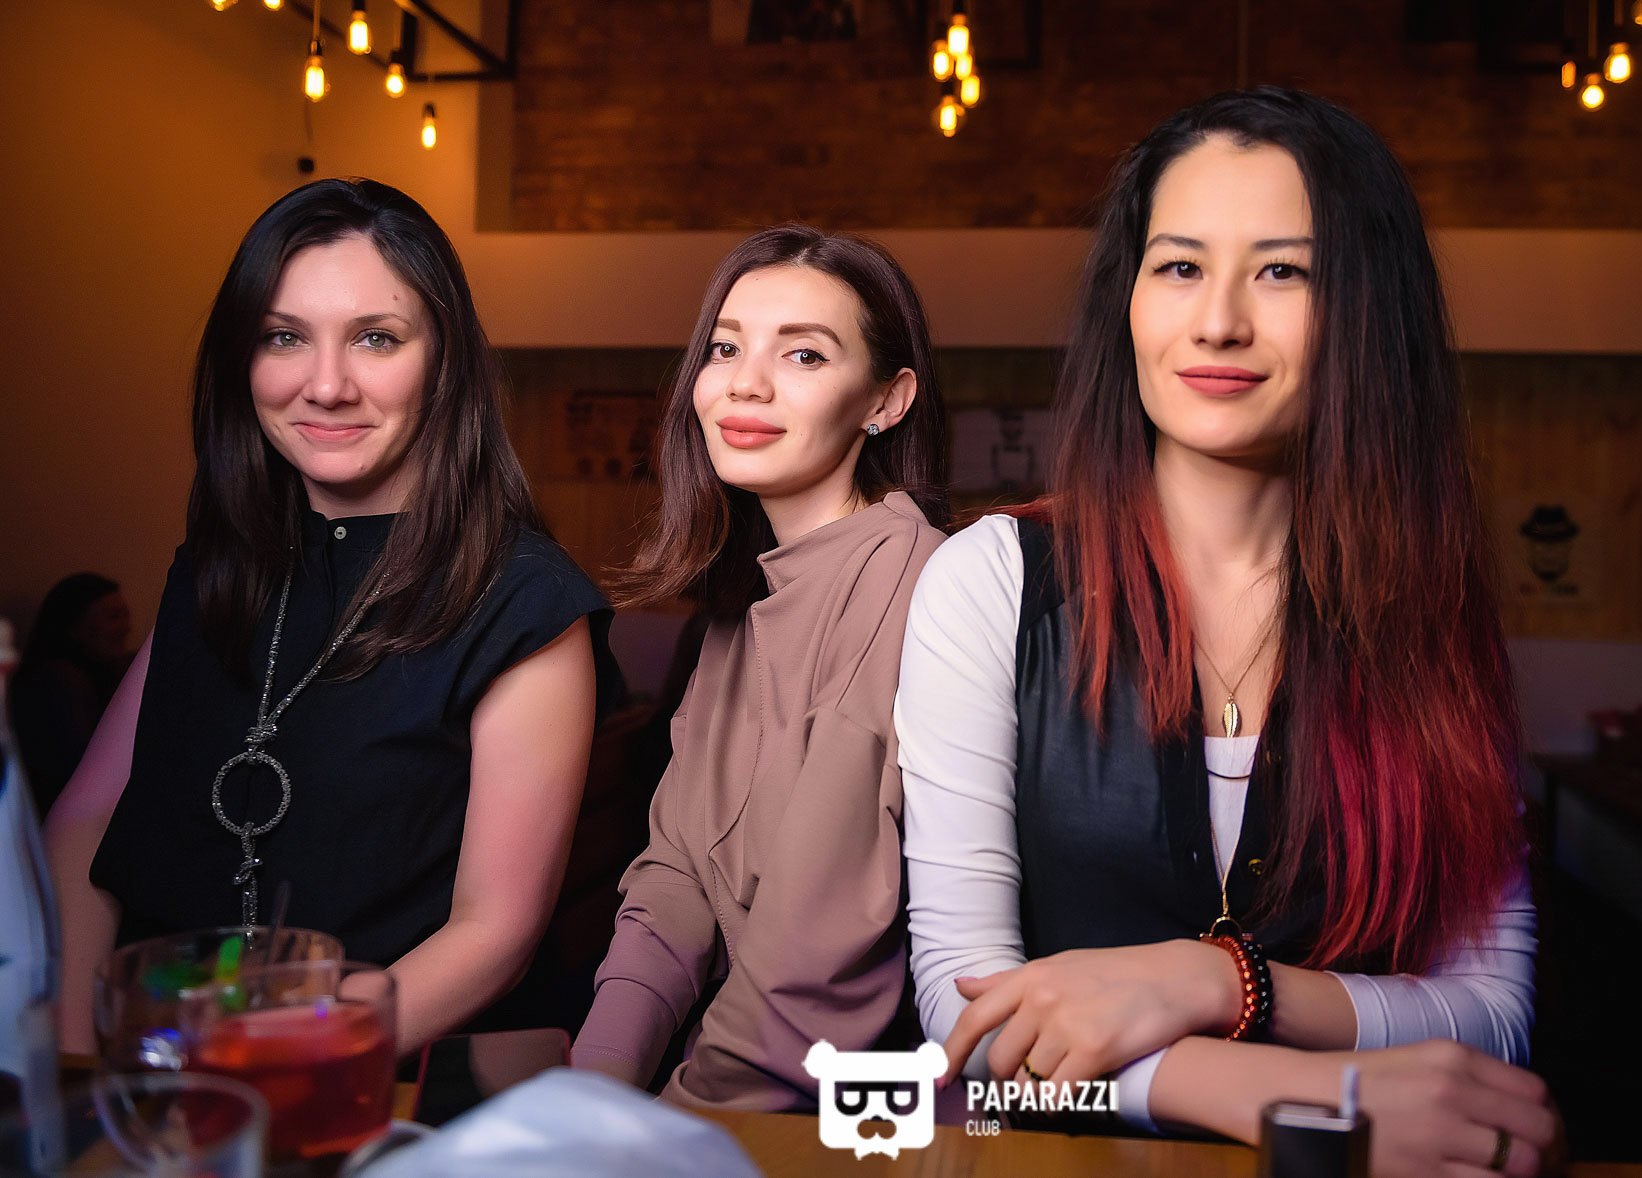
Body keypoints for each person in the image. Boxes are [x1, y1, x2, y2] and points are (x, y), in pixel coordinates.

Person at [897, 88, 1558, 1176]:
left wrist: (1213, 981)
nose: (1218, 322)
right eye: (1180, 266)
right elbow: (967, 1021)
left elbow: (1493, 1014)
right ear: (1129, 298)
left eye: (1283, 272)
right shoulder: (991, 584)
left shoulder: (1426, 609)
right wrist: (1309, 1095)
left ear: (1366, 311)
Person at [44, 178, 619, 1055]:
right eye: (284, 337)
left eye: (376, 338)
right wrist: (76, 1060)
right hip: (155, 1072)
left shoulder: (524, 599)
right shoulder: (217, 566)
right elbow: (83, 823)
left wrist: (264, 1064)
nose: (325, 385)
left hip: (378, 1082)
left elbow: (494, 933)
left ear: (445, 361)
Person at [572, 225, 947, 1111]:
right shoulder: (744, 606)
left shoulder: (910, 582)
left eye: (804, 354)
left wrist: (648, 1134)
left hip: (868, 1123)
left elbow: (805, 981)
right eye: (726, 348)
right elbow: (673, 878)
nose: (745, 382)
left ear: (886, 401)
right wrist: (590, 1089)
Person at [9, 573, 133, 816]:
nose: (125, 627)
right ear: (75, 627)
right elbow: (88, 768)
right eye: (113, 617)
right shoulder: (60, 680)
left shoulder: (103, 674)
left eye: (125, 615)